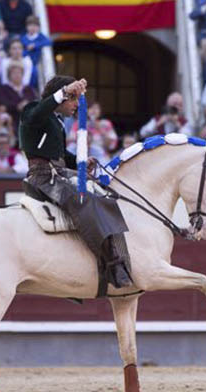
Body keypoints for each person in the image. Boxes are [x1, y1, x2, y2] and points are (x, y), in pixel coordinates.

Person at [19, 75, 132, 289]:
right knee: (83, 200)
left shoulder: (56, 121)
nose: (76, 105)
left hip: (57, 172)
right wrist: (63, 91)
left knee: (103, 193)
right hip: (43, 177)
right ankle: (111, 262)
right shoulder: (34, 110)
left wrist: (81, 161)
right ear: (62, 97)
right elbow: (37, 116)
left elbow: (60, 154)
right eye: (73, 99)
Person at [0, 62, 35, 128]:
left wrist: (26, 103)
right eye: (14, 73)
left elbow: (34, 100)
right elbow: (2, 103)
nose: (17, 75)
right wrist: (17, 106)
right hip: (11, 119)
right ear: (9, 75)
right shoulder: (4, 88)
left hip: (28, 119)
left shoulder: (28, 88)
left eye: (19, 73)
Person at [21, 15, 51, 87]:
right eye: (30, 26)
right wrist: (27, 50)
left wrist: (35, 45)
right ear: (27, 27)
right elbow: (21, 51)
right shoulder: (24, 38)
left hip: (34, 63)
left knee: (34, 73)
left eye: (35, 26)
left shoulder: (40, 36)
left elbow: (49, 41)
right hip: (24, 61)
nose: (33, 28)